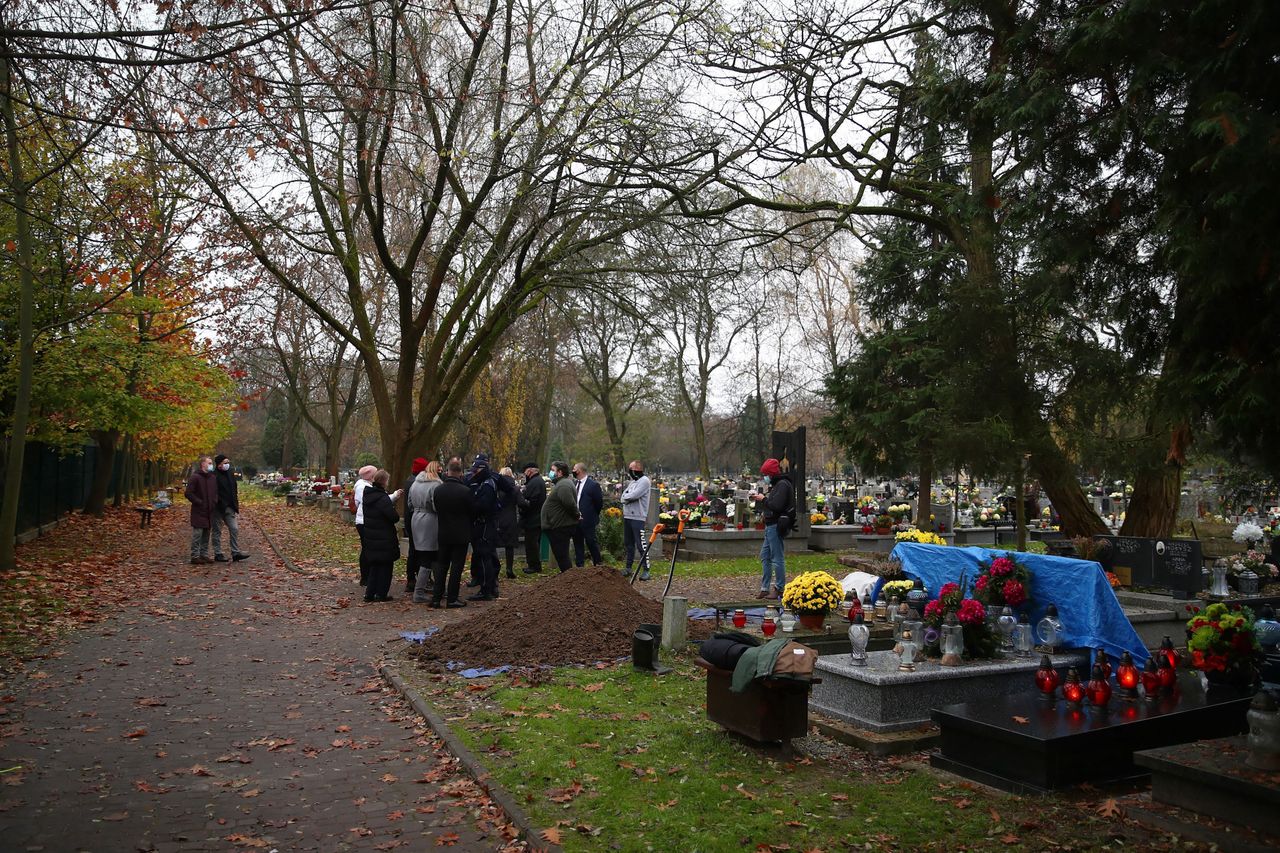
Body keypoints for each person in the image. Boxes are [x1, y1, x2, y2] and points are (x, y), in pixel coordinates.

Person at [430, 457, 476, 608]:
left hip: (443, 532)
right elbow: (472, 512)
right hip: (460, 533)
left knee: (441, 565)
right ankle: (452, 598)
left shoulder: (438, 490)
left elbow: (436, 508)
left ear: (448, 471)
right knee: (456, 567)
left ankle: (436, 598)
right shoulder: (465, 491)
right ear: (461, 473)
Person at [752, 458, 793, 600]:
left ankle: (779, 588)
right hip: (770, 525)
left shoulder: (782, 485)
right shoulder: (777, 485)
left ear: (771, 473)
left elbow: (777, 505)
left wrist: (763, 499)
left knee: (777, 558)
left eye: (766, 474)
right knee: (765, 557)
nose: (765, 477)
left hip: (776, 525)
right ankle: (765, 588)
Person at [360, 470, 402, 602]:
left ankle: (370, 593)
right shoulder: (382, 498)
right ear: (384, 482)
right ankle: (381, 593)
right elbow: (393, 517)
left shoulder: (368, 496)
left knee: (374, 566)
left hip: (372, 536)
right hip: (384, 536)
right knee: (385, 566)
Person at [466, 454, 500, 601]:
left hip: (485, 524)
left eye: (475, 471)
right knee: (484, 556)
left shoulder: (487, 485)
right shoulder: (484, 483)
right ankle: (489, 586)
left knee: (485, 556)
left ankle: (487, 588)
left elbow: (483, 506)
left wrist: (471, 505)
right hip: (484, 523)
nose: (473, 474)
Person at [409, 461, 442, 603]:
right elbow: (436, 506)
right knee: (431, 555)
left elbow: (410, 504)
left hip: (416, 519)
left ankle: (432, 588)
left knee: (425, 555)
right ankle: (420, 591)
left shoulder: (414, 484)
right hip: (430, 520)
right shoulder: (436, 485)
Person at [541, 460, 581, 572]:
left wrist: (577, 515)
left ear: (560, 472)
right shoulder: (562, 484)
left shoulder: (563, 485)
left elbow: (569, 504)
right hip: (558, 525)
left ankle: (569, 579)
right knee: (561, 556)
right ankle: (567, 578)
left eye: (553, 470)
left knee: (562, 556)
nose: (551, 472)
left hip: (560, 527)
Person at [211, 454, 249, 562]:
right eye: (225, 463)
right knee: (217, 531)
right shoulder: (214, 476)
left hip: (229, 507)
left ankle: (235, 552)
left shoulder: (230, 474)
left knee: (234, 528)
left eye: (228, 462)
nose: (227, 464)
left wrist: (234, 504)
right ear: (219, 464)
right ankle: (218, 553)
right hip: (217, 508)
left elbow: (234, 489)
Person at [621, 461, 651, 579]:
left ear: (638, 468)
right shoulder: (633, 482)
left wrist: (626, 498)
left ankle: (646, 569)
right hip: (628, 516)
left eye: (631, 468)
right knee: (628, 544)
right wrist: (626, 497)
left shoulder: (644, 481)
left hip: (638, 517)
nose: (630, 471)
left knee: (641, 544)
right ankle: (628, 568)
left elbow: (634, 495)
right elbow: (624, 495)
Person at [184, 455, 217, 564]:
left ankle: (204, 554)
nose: (211, 465)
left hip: (210, 510)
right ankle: (195, 555)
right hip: (199, 510)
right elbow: (188, 493)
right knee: (197, 534)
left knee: (206, 534)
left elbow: (215, 492)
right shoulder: (195, 477)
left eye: (211, 463)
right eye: (209, 463)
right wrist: (199, 502)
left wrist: (214, 501)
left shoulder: (212, 477)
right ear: (203, 464)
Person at [402, 457, 429, 592]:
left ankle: (411, 578)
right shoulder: (416, 483)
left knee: (413, 551)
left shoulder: (409, 481)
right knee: (419, 551)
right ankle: (418, 578)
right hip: (418, 520)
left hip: (411, 519)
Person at [571, 462, 604, 567]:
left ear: (579, 471)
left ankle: (597, 563)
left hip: (588, 520)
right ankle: (580, 565)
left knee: (591, 542)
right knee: (577, 543)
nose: (573, 471)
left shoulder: (593, 485)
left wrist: (591, 515)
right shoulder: (575, 483)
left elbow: (598, 503)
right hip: (576, 519)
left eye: (574, 469)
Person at [516, 462, 546, 574]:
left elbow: (532, 501)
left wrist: (522, 502)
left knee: (531, 543)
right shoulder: (536, 481)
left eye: (525, 471)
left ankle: (534, 566)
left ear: (531, 470)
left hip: (533, 519)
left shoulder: (535, 482)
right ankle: (533, 564)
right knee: (532, 543)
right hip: (534, 518)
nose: (524, 473)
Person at [352, 464, 377, 586]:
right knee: (367, 548)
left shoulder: (362, 486)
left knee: (366, 548)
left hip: (362, 520)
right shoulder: (364, 487)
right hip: (364, 521)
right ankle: (365, 576)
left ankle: (366, 576)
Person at [496, 467, 520, 579]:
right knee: (509, 546)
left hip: (498, 518)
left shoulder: (496, 488)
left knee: (494, 545)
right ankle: (509, 569)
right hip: (511, 519)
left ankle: (495, 568)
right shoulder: (515, 488)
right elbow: (522, 503)